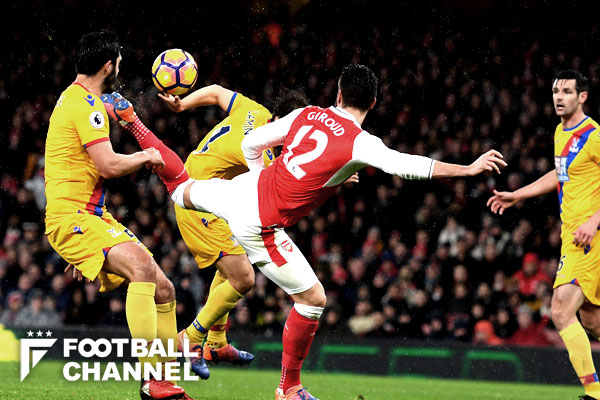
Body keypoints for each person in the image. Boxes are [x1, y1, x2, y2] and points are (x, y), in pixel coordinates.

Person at [134, 64, 504, 400]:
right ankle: (287, 387)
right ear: (372, 103)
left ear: (338, 94)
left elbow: (251, 143)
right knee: (312, 299)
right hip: (259, 224)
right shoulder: (360, 142)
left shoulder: (306, 113)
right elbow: (407, 166)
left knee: (179, 187)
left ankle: (132, 121)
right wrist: (467, 169)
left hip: (238, 191)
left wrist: (263, 177)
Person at [101, 84, 309, 379]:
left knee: (232, 265)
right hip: (197, 200)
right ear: (278, 121)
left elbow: (216, 92)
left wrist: (182, 105)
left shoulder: (254, 110)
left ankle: (216, 342)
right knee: (244, 278)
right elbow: (278, 193)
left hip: (206, 191)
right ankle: (191, 337)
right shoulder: (263, 152)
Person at [44, 29, 193, 400]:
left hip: (90, 215)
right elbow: (108, 165)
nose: (120, 69)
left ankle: (165, 382)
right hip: (73, 216)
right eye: (119, 64)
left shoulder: (75, 98)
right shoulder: (86, 106)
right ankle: (152, 379)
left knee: (164, 289)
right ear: (108, 66)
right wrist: (146, 155)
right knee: (141, 268)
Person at [488, 69, 600, 400]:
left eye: (567, 91)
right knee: (592, 321)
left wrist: (594, 221)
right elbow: (561, 173)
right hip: (573, 235)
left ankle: (594, 393)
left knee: (561, 310)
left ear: (582, 97)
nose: (559, 97)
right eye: (555, 91)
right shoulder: (561, 132)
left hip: (589, 236)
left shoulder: (594, 135)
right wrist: (517, 195)